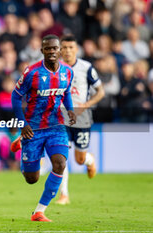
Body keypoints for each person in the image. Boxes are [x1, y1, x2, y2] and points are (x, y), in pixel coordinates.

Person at [11, 34, 76, 222]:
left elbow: (66, 92)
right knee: (32, 179)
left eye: (55, 48)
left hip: (56, 125)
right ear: (42, 51)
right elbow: (15, 97)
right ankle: (22, 142)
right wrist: (23, 124)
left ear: (60, 50)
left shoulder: (67, 72)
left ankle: (39, 211)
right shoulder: (32, 72)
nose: (52, 52)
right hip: (33, 129)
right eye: (48, 49)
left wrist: (70, 110)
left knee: (60, 164)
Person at [55, 34, 105, 205]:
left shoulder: (86, 67)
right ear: (60, 50)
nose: (68, 51)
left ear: (76, 49)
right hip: (61, 117)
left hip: (82, 118)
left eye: (71, 47)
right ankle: (64, 194)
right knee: (62, 157)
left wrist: (87, 104)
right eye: (64, 48)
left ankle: (89, 160)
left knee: (79, 159)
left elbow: (101, 92)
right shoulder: (55, 68)